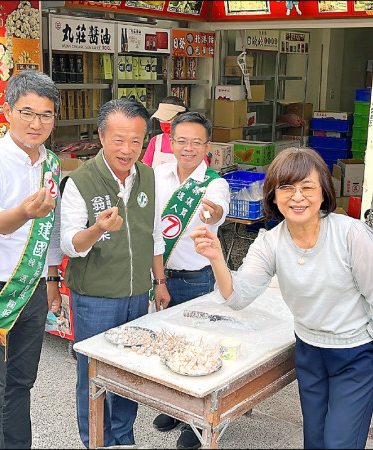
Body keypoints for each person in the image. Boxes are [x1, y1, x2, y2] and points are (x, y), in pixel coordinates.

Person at [191, 147, 373, 449]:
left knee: (339, 443)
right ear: (274, 195)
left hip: (355, 353)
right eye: (287, 187)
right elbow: (237, 296)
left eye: (308, 187)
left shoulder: (350, 235)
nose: (297, 197)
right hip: (309, 351)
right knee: (315, 441)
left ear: (323, 193)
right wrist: (216, 258)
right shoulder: (271, 241)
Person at [0, 70, 63, 449]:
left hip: (34, 287)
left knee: (21, 382)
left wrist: (52, 281)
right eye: (27, 112)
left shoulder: (51, 163)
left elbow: (50, 229)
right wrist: (23, 212)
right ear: (7, 111)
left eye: (46, 115)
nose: (37, 124)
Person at [60, 98, 169, 448]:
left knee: (129, 371)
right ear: (101, 135)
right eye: (119, 139)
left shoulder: (147, 176)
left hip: (137, 294)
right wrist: (96, 229)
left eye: (136, 141)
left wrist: (160, 281)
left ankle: (123, 437)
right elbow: (69, 245)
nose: (127, 149)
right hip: (95, 297)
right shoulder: (80, 181)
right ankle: (97, 440)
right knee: (93, 375)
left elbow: (154, 234)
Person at [150, 111, 230, 449]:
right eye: (181, 141)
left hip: (196, 278)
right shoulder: (156, 174)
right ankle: (175, 407)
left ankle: (195, 422)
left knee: (197, 349)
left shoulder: (214, 183)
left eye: (197, 142)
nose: (188, 148)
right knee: (167, 344)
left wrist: (213, 213)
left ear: (207, 146)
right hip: (160, 274)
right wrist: (157, 280)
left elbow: (218, 211)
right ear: (171, 141)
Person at [140, 95, 187, 168]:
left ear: (181, 118)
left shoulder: (192, 142)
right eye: (161, 120)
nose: (164, 123)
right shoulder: (156, 141)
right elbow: (146, 169)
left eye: (168, 120)